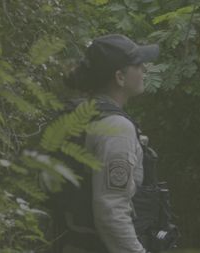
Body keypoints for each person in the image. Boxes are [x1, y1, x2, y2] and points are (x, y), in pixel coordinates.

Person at [59, 34, 159, 253]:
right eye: (138, 65)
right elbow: (111, 211)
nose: (144, 70)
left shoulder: (81, 113)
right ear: (120, 77)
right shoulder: (116, 128)